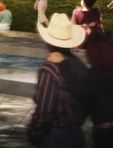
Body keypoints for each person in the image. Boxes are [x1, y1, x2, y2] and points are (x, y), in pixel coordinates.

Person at [27, 14, 88, 148]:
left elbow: (44, 111)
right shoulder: (79, 65)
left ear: (48, 42)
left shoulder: (50, 70)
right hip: (77, 134)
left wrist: (34, 134)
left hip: (55, 135)